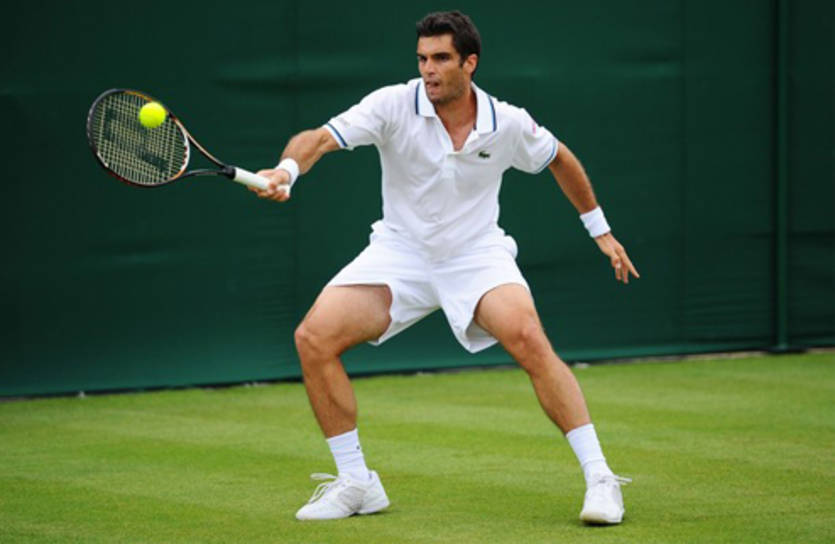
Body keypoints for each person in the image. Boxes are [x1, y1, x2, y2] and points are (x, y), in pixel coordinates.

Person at [251, 10, 639, 525]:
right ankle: (357, 483)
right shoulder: (393, 103)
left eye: (440, 59)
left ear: (469, 63)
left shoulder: (508, 122)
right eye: (422, 59)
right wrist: (287, 170)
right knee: (313, 338)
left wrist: (600, 230)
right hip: (400, 253)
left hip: (476, 254)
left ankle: (601, 479)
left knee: (528, 337)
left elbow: (560, 159)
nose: (428, 70)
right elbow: (319, 138)